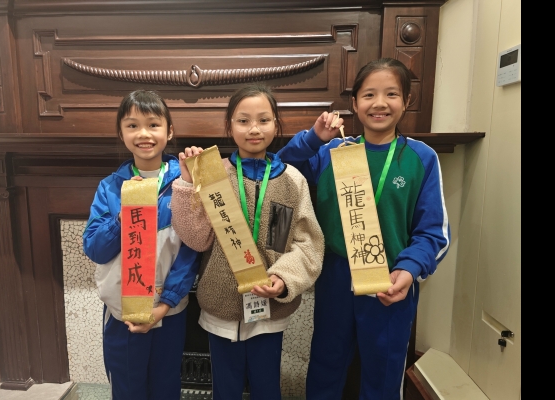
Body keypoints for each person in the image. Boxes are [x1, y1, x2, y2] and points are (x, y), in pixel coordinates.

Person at [277, 58, 451, 399]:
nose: (380, 103)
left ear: (406, 101)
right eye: (369, 94)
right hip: (336, 276)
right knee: (325, 365)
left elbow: (433, 232)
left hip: (389, 279)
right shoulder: (333, 151)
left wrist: (409, 269)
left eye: (391, 94)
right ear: (355, 103)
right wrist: (312, 139)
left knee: (384, 372)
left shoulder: (421, 157)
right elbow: (280, 172)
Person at [170, 83, 327, 400]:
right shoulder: (214, 175)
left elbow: (306, 243)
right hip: (221, 307)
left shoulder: (292, 180)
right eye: (243, 121)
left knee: (267, 387)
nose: (254, 129)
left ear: (276, 125)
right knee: (225, 389)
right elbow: (197, 239)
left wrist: (284, 278)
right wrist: (188, 183)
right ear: (229, 126)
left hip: (270, 309)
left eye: (263, 120)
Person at [82, 89, 200, 400]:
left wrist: (165, 305)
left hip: (168, 311)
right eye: (133, 125)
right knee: (127, 387)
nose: (144, 134)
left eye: (153, 124)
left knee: (166, 385)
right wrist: (123, 216)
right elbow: (95, 248)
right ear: (121, 133)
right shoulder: (110, 187)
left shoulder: (184, 184)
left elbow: (191, 250)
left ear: (169, 131)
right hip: (123, 313)